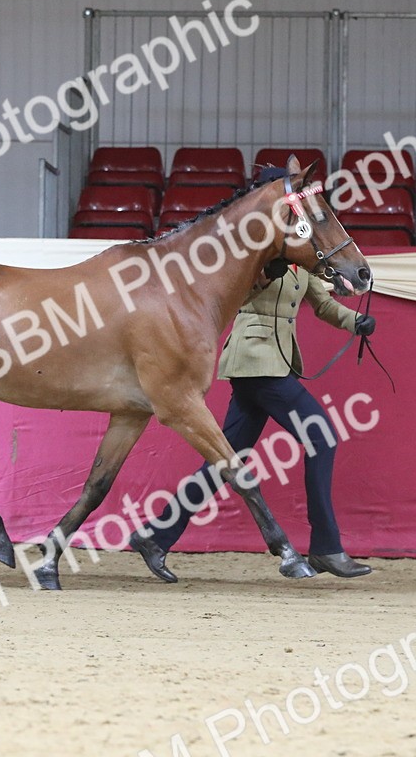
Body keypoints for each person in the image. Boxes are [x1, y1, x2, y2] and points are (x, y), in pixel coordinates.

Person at [128, 165, 376, 581]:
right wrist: (267, 272)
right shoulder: (257, 255)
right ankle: (326, 548)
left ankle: (156, 535)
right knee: (322, 436)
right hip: (256, 361)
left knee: (223, 460)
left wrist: (356, 323)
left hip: (269, 366)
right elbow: (236, 289)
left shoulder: (301, 260)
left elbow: (324, 304)